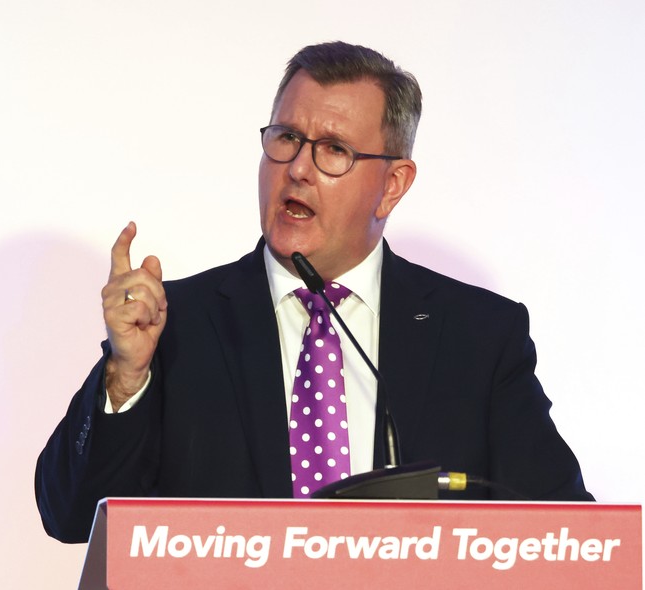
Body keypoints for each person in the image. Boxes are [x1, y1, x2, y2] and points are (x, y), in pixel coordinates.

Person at [35, 41, 593, 544]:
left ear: (392, 185)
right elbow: (72, 515)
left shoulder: (477, 337)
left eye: (333, 150)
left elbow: (566, 532)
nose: (298, 168)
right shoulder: (176, 327)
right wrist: (126, 376)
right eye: (286, 139)